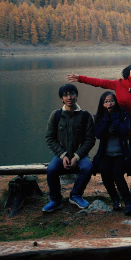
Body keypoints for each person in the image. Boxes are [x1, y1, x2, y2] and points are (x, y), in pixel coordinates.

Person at [67, 63, 131, 195]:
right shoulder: (119, 84)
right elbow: (100, 82)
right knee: (119, 156)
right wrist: (80, 78)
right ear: (128, 71)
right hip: (119, 126)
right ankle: (120, 185)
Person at [43, 84, 95, 212]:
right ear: (62, 98)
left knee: (88, 167)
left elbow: (90, 140)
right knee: (51, 169)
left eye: (72, 94)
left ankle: (76, 195)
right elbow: (50, 138)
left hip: (80, 155)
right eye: (65, 95)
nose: (69, 97)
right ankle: (55, 200)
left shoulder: (85, 116)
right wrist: (63, 155)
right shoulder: (56, 115)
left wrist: (77, 156)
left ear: (76, 95)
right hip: (61, 155)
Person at [92, 91, 131, 215]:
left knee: (117, 173)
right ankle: (115, 199)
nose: (109, 104)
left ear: (115, 102)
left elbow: (124, 131)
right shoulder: (99, 117)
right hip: (105, 153)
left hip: (121, 153)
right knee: (104, 171)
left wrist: (115, 119)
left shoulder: (123, 115)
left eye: (111, 101)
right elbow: (98, 134)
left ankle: (128, 202)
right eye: (106, 102)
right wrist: (106, 120)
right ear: (102, 104)